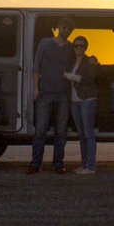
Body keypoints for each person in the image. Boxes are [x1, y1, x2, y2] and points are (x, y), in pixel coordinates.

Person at [28, 17, 75, 174]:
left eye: (69, 28)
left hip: (63, 95)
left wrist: (93, 61)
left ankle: (58, 164)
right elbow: (36, 66)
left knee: (61, 132)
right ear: (58, 27)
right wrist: (35, 88)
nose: (66, 30)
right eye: (64, 27)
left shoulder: (71, 48)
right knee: (40, 130)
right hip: (44, 93)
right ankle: (35, 164)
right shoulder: (45, 43)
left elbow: (76, 66)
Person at [65, 36, 99, 174]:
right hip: (74, 101)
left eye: (82, 46)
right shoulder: (71, 61)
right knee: (81, 134)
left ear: (86, 47)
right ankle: (84, 164)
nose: (79, 48)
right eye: (76, 46)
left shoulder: (90, 60)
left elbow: (89, 78)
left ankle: (91, 167)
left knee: (88, 133)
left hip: (87, 100)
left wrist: (69, 76)